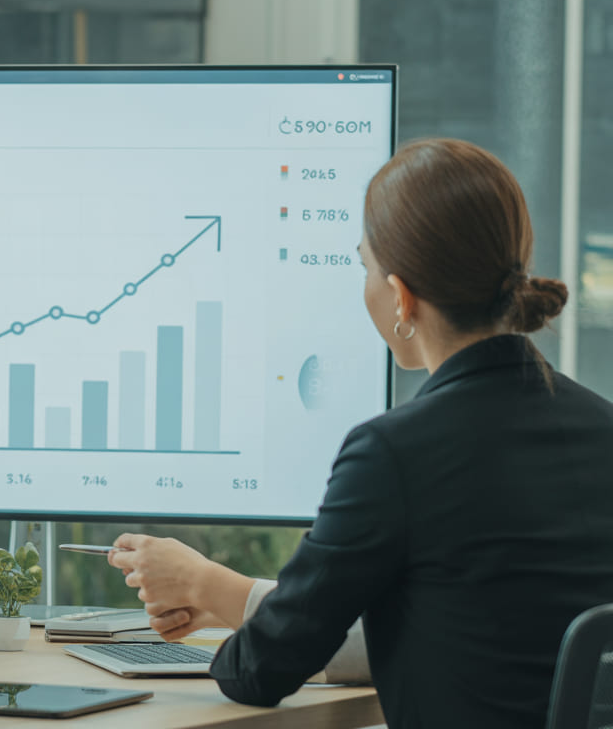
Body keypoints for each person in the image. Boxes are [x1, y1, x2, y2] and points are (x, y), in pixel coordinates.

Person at [109, 138, 613, 728]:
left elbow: (260, 671)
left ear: (401, 296)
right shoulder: (603, 428)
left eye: (365, 267)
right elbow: (471, 624)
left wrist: (212, 601)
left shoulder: (395, 452)